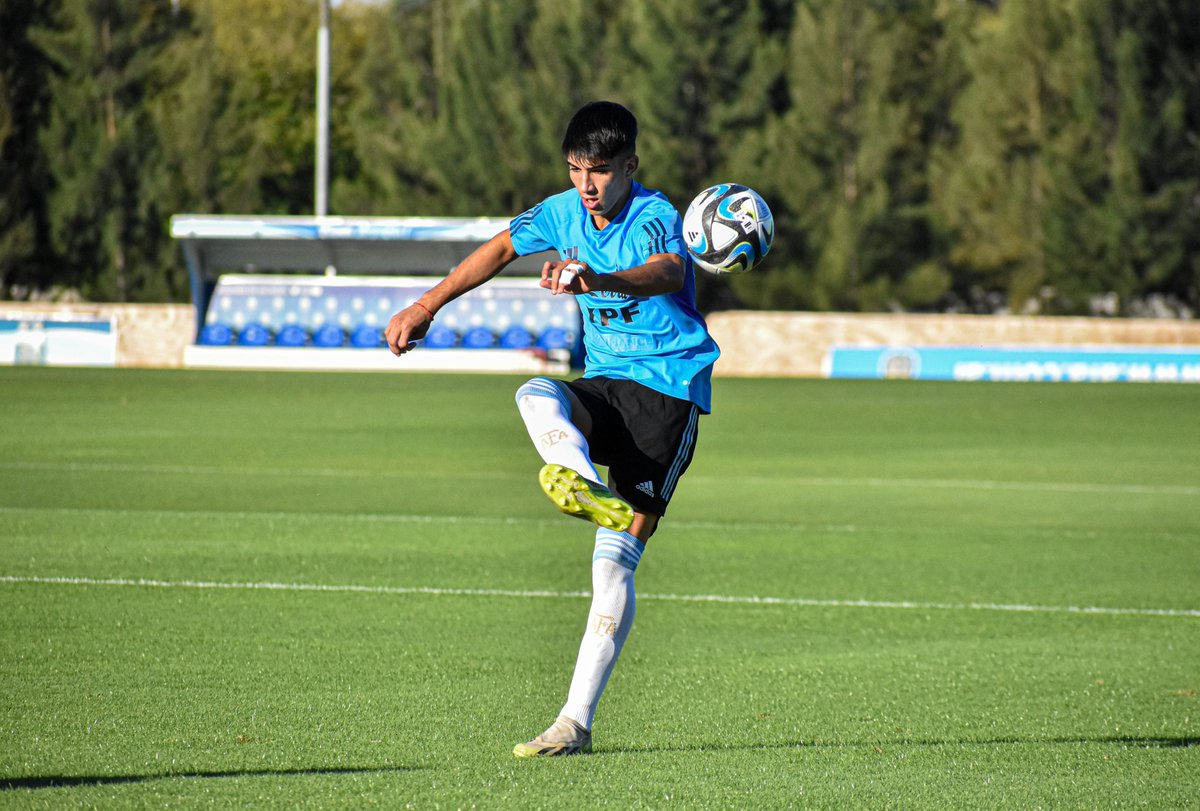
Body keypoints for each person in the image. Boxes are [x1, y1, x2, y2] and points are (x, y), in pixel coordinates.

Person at [384, 100, 720, 757]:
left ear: (630, 166)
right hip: (605, 381)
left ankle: (575, 722)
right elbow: (504, 245)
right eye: (574, 169)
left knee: (613, 566)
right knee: (536, 391)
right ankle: (577, 477)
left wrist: (596, 276)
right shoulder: (563, 211)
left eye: (598, 171)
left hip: (668, 395)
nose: (585, 185)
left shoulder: (656, 217)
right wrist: (428, 304)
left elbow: (668, 271)